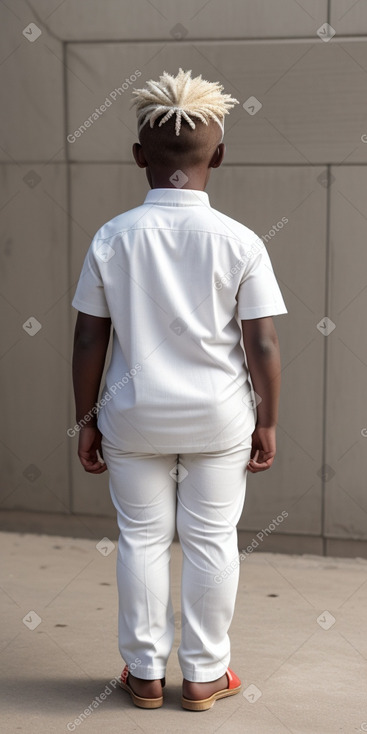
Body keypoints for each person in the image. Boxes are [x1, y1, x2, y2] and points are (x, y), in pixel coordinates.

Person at [71, 68, 287, 711]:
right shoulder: (242, 242)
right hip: (219, 419)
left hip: (133, 418)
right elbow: (264, 345)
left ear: (139, 157)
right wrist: (267, 421)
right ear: (218, 156)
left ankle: (142, 674)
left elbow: (89, 340)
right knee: (211, 541)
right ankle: (202, 675)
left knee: (140, 537)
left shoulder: (112, 237)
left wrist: (86, 419)